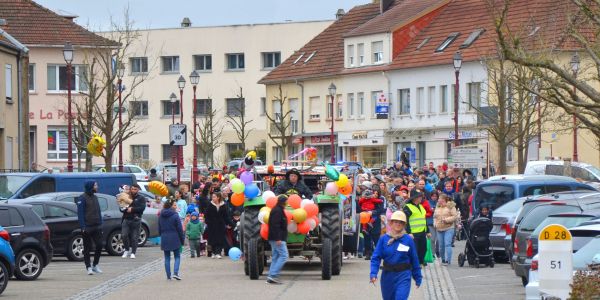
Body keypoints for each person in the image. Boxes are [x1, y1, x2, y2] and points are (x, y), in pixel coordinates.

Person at [370, 211, 422, 300]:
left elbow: (414, 259)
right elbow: (376, 257)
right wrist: (373, 273)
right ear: (391, 223)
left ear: (404, 225)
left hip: (403, 275)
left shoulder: (408, 240)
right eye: (396, 222)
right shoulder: (383, 239)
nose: (398, 224)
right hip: (387, 276)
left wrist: (417, 277)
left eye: (401, 222)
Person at [76, 181, 103, 275]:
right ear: (91, 186)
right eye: (96, 185)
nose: (97, 186)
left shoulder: (95, 197)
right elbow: (80, 214)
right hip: (87, 227)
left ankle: (95, 265)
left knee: (100, 245)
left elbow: (98, 211)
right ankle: (88, 267)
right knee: (87, 248)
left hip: (97, 226)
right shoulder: (82, 198)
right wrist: (83, 226)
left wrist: (100, 223)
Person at [159, 199, 184, 280]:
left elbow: (159, 228)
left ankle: (168, 275)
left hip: (165, 237)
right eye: (174, 205)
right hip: (175, 237)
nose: (176, 206)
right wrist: (182, 239)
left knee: (167, 257)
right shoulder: (175, 215)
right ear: (171, 206)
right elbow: (180, 229)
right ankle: (175, 273)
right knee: (177, 256)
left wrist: (162, 235)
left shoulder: (161, 215)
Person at [266, 195, 289, 284]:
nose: (287, 203)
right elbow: (275, 225)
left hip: (275, 238)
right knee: (284, 256)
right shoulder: (278, 211)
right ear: (283, 202)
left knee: (276, 256)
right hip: (278, 238)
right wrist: (278, 238)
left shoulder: (278, 209)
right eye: (286, 201)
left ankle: (271, 276)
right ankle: (273, 275)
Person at [403, 192, 429, 266]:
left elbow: (424, 219)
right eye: (419, 197)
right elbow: (406, 221)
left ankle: (420, 261)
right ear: (414, 198)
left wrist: (428, 231)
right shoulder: (407, 207)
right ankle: (414, 264)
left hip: (422, 231)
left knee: (423, 248)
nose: (421, 198)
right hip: (413, 233)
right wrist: (409, 232)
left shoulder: (420, 206)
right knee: (414, 250)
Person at [121, 184, 146, 259]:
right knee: (124, 235)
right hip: (126, 218)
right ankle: (126, 250)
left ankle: (133, 252)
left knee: (134, 237)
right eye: (132, 189)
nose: (133, 190)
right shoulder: (126, 196)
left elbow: (142, 208)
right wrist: (125, 209)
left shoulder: (141, 198)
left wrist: (132, 209)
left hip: (136, 219)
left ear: (138, 190)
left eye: (135, 189)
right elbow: (121, 207)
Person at [204, 192, 231, 259]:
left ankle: (218, 253)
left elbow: (225, 216)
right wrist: (208, 222)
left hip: (220, 225)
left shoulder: (223, 205)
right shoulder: (210, 204)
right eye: (212, 197)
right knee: (212, 239)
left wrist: (229, 223)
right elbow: (206, 215)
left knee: (220, 239)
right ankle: (213, 252)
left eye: (214, 197)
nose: (213, 198)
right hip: (212, 225)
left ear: (218, 197)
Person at [434, 194, 458, 265]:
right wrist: (435, 223)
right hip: (439, 228)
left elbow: (454, 216)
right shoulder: (437, 206)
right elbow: (435, 216)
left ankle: (448, 260)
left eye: (440, 199)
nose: (439, 201)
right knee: (441, 246)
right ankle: (443, 259)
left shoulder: (451, 206)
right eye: (439, 199)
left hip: (449, 227)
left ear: (444, 200)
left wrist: (446, 220)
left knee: (447, 244)